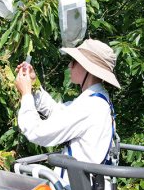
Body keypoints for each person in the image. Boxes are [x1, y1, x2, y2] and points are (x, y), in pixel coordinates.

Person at [14, 39, 120, 182]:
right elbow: (57, 111)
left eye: (74, 61)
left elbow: (38, 132)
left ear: (87, 68)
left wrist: (26, 94)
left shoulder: (90, 106)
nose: (70, 65)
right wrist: (34, 85)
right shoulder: (97, 100)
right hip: (86, 188)